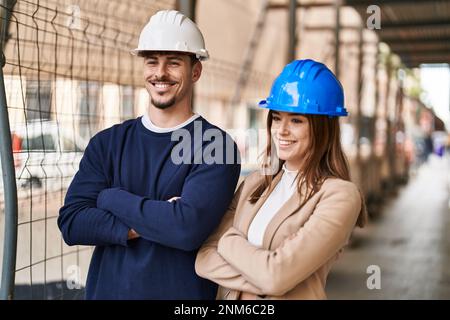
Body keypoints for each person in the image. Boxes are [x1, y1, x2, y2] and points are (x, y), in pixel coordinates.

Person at [58, 10, 240, 299]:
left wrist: (110, 197)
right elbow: (72, 223)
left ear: (195, 71)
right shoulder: (108, 143)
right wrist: (155, 219)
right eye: (152, 61)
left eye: (174, 62)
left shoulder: (215, 146)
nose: (160, 73)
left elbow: (185, 229)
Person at [195, 59, 367, 300]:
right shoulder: (255, 183)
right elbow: (203, 260)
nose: (281, 130)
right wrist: (264, 279)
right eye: (276, 118)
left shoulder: (340, 196)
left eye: (296, 120)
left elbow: (275, 277)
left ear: (323, 128)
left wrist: (228, 241)